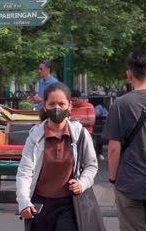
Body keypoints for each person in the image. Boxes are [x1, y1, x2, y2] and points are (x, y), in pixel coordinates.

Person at [16, 82, 98, 231]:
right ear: (45, 107)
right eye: (52, 104)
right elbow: (25, 172)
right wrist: (24, 202)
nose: (57, 108)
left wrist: (82, 183)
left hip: (70, 205)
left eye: (61, 103)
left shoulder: (80, 134)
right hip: (40, 205)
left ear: (70, 106)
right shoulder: (35, 136)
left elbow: (91, 165)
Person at [102, 50, 146, 231]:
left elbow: (113, 149)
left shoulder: (120, 105)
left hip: (130, 183)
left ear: (129, 74)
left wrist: (114, 179)